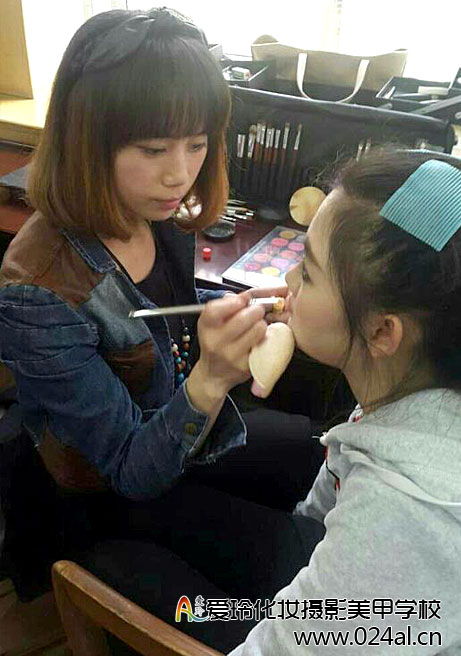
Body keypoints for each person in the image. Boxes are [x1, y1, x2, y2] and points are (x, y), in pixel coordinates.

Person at [80, 147, 461, 654]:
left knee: (117, 570)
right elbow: (317, 526)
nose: (288, 281)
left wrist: (210, 379)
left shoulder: (409, 519)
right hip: (340, 582)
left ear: (383, 331)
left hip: (363, 613)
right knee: (145, 515)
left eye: (307, 272)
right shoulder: (427, 381)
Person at [0, 7, 322, 600]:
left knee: (313, 454)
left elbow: (162, 309)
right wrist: (212, 377)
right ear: (86, 143)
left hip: (180, 426)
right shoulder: (36, 290)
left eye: (197, 144)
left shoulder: (153, 209)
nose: (180, 174)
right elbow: (128, 469)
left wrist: (232, 306)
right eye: (152, 149)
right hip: (106, 493)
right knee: (292, 567)